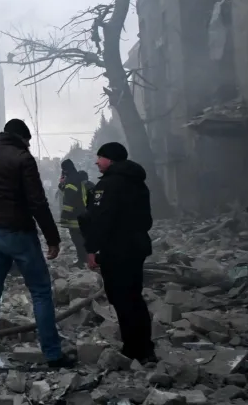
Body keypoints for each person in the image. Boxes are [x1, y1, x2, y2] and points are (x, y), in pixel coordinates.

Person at [0, 119, 74, 367]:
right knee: (40, 291)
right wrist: (52, 238)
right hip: (18, 232)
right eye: (28, 141)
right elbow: (37, 201)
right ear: (23, 138)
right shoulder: (22, 158)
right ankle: (53, 354)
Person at [79, 142, 156, 363]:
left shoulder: (108, 185)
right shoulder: (138, 183)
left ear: (110, 159)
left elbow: (99, 220)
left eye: (99, 157)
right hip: (137, 246)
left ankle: (133, 349)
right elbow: (147, 219)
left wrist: (90, 249)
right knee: (134, 296)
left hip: (116, 249)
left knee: (121, 298)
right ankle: (145, 348)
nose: (96, 162)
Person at [58, 159, 90, 268]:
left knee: (77, 239)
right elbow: (67, 190)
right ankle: (86, 259)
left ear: (65, 170)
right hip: (83, 213)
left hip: (75, 215)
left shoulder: (71, 180)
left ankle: (83, 261)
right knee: (83, 238)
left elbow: (69, 199)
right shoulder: (77, 178)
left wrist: (64, 217)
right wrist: (61, 183)